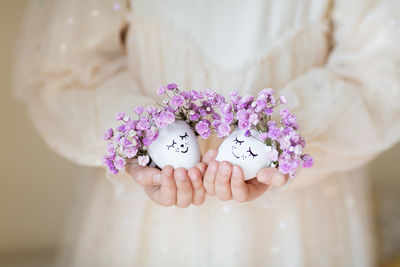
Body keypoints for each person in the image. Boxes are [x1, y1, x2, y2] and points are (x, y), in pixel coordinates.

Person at [14, 0, 400, 266]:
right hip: (148, 216)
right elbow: (69, 71)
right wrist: (141, 141)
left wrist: (282, 136)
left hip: (300, 210)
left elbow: (380, 70)